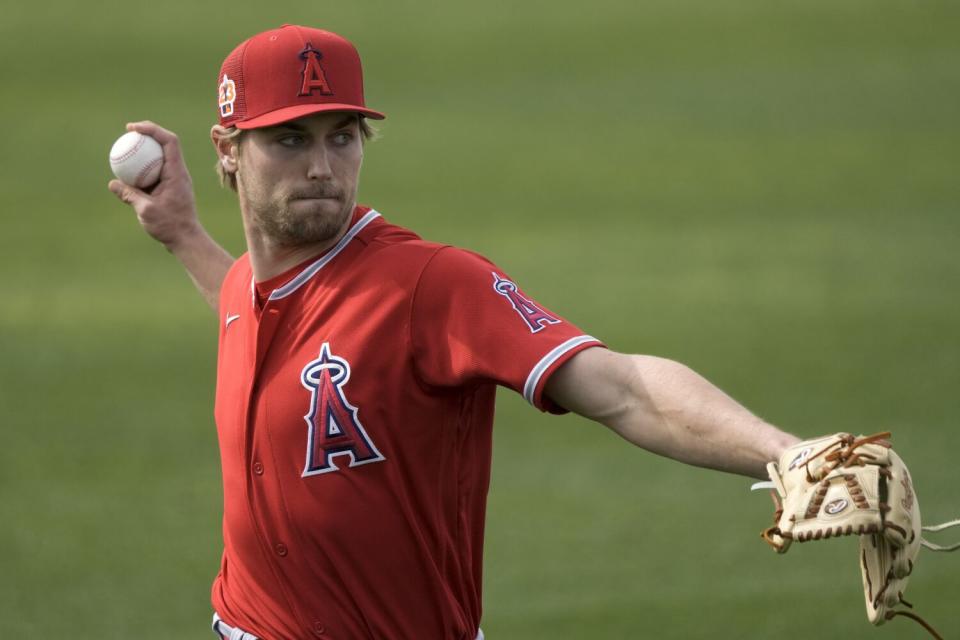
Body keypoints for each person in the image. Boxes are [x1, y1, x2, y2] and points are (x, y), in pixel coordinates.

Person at [109, 24, 800, 640]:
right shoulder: (250, 292)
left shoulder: (430, 286)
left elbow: (620, 388)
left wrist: (787, 453)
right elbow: (245, 307)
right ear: (228, 150)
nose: (321, 167)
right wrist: (182, 234)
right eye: (290, 139)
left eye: (341, 137)